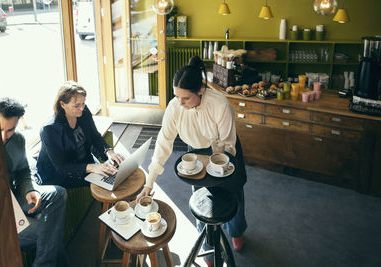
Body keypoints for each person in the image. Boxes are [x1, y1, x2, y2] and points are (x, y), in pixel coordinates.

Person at [136, 56, 247, 265]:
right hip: (195, 153)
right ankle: (206, 245)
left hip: (224, 152)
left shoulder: (220, 105)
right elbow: (163, 142)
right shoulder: (175, 107)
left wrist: (212, 162)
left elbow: (228, 144)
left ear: (200, 91)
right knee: (202, 199)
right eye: (176, 96)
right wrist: (149, 182)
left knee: (234, 197)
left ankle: (236, 231)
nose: (179, 103)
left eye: (185, 98)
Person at [0, 97, 69, 267]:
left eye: (10, 130)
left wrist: (30, 190)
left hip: (15, 197)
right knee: (51, 236)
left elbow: (23, 170)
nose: (3, 137)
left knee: (58, 193)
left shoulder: (18, 140)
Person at [36, 81, 123, 188]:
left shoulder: (83, 112)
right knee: (106, 182)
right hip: (60, 174)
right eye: (77, 105)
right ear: (62, 104)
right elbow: (62, 167)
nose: (82, 108)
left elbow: (95, 136)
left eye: (83, 103)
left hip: (83, 162)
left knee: (118, 173)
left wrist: (109, 151)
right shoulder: (49, 129)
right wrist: (92, 167)